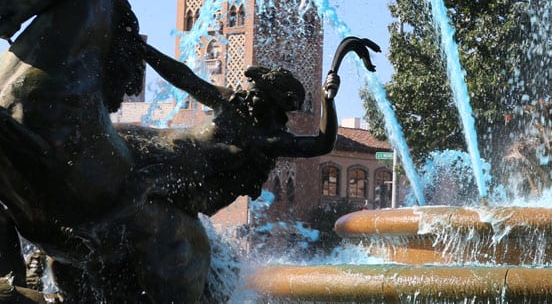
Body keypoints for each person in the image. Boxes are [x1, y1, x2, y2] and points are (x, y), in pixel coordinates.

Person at [118, 36, 379, 216]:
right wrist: (145, 51)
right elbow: (186, 79)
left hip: (182, 179)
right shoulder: (229, 102)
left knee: (142, 182)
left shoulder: (271, 141)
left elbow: (322, 143)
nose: (248, 94)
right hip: (164, 146)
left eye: (257, 93)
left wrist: (327, 100)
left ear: (274, 104)